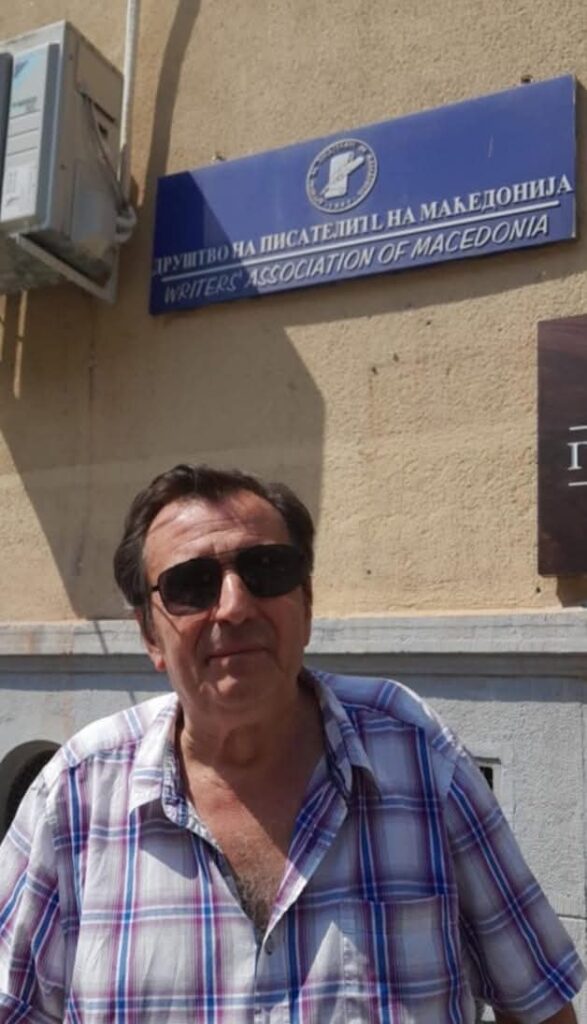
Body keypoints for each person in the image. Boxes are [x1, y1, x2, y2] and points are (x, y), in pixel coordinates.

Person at [0, 463, 583, 1023]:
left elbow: (537, 1005)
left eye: (267, 569)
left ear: (306, 603)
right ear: (151, 635)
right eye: (191, 585)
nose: (235, 606)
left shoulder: (418, 754)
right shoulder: (75, 794)